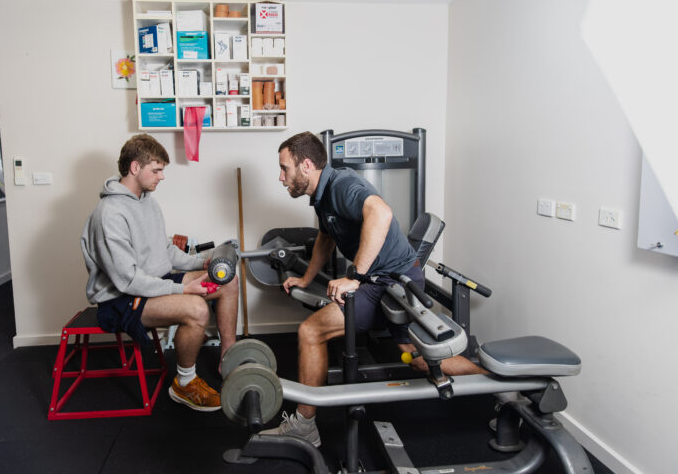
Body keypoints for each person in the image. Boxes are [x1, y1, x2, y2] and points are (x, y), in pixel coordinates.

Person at [261, 131, 487, 445]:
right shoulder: (322, 195)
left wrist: (356, 277)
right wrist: (306, 278)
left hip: (393, 282)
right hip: (381, 279)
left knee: (311, 332)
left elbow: (381, 213)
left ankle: (305, 426)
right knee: (416, 356)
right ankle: (492, 382)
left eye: (284, 168)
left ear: (306, 166)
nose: (281, 177)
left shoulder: (342, 185)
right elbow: (326, 237)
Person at [80, 133, 239, 412]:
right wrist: (183, 289)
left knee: (227, 281)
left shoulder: (147, 201)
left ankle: (229, 356)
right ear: (135, 167)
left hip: (154, 283)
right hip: (120, 300)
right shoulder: (109, 214)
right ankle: (184, 384)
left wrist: (201, 263)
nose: (161, 177)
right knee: (196, 309)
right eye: (156, 170)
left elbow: (164, 251)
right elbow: (128, 279)